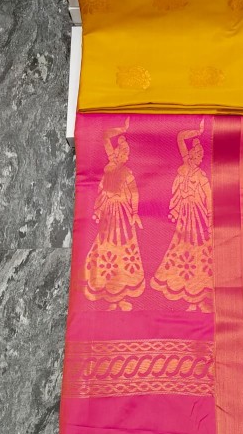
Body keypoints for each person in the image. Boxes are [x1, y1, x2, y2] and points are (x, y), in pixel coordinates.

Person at [151, 120, 213, 312]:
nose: (200, 158)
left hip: (198, 218)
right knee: (185, 250)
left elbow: (209, 195)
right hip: (186, 217)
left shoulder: (201, 176)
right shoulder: (185, 168)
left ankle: (200, 299)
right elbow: (179, 138)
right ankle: (192, 299)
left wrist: (210, 217)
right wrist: (197, 131)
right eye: (197, 155)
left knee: (199, 252)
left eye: (201, 156)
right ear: (191, 155)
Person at [83, 118, 144, 310]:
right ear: (118, 153)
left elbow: (134, 193)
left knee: (123, 250)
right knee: (106, 248)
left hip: (122, 214)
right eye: (124, 153)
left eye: (127, 154)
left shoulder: (126, 173)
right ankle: (109, 296)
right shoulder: (111, 165)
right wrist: (122, 129)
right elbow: (105, 136)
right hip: (109, 214)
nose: (126, 156)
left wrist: (135, 213)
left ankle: (121, 297)